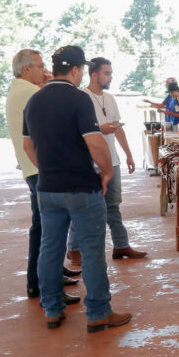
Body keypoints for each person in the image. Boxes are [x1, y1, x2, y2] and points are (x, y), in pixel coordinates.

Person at [22, 46, 131, 331]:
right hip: (82, 186)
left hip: (47, 189)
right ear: (75, 70)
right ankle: (98, 313)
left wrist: (47, 169)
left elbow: (27, 145)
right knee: (92, 250)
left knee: (50, 249)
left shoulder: (34, 102)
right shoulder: (78, 99)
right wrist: (107, 171)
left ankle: (52, 310)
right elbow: (95, 143)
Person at [5, 49, 81, 304]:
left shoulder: (22, 90)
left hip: (35, 167)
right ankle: (40, 284)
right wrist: (51, 83)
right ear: (26, 69)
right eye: (39, 67)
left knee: (47, 227)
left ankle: (49, 277)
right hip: (40, 167)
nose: (44, 71)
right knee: (48, 229)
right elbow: (55, 103)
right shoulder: (28, 92)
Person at [68, 57, 147, 264]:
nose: (110, 77)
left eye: (110, 73)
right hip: (89, 162)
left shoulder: (110, 98)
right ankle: (74, 249)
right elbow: (73, 132)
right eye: (107, 73)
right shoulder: (80, 97)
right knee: (84, 206)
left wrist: (128, 154)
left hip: (112, 161)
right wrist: (99, 129)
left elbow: (117, 128)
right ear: (94, 75)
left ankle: (121, 245)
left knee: (113, 205)